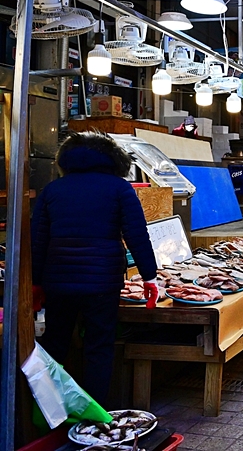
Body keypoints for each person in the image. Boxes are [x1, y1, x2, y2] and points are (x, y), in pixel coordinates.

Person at [31, 132, 159, 405]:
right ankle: (94, 414)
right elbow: (137, 235)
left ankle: (49, 410)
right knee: (98, 348)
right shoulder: (120, 188)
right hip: (103, 284)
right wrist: (150, 277)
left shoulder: (53, 190)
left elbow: (37, 240)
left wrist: (35, 282)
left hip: (58, 282)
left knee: (54, 345)